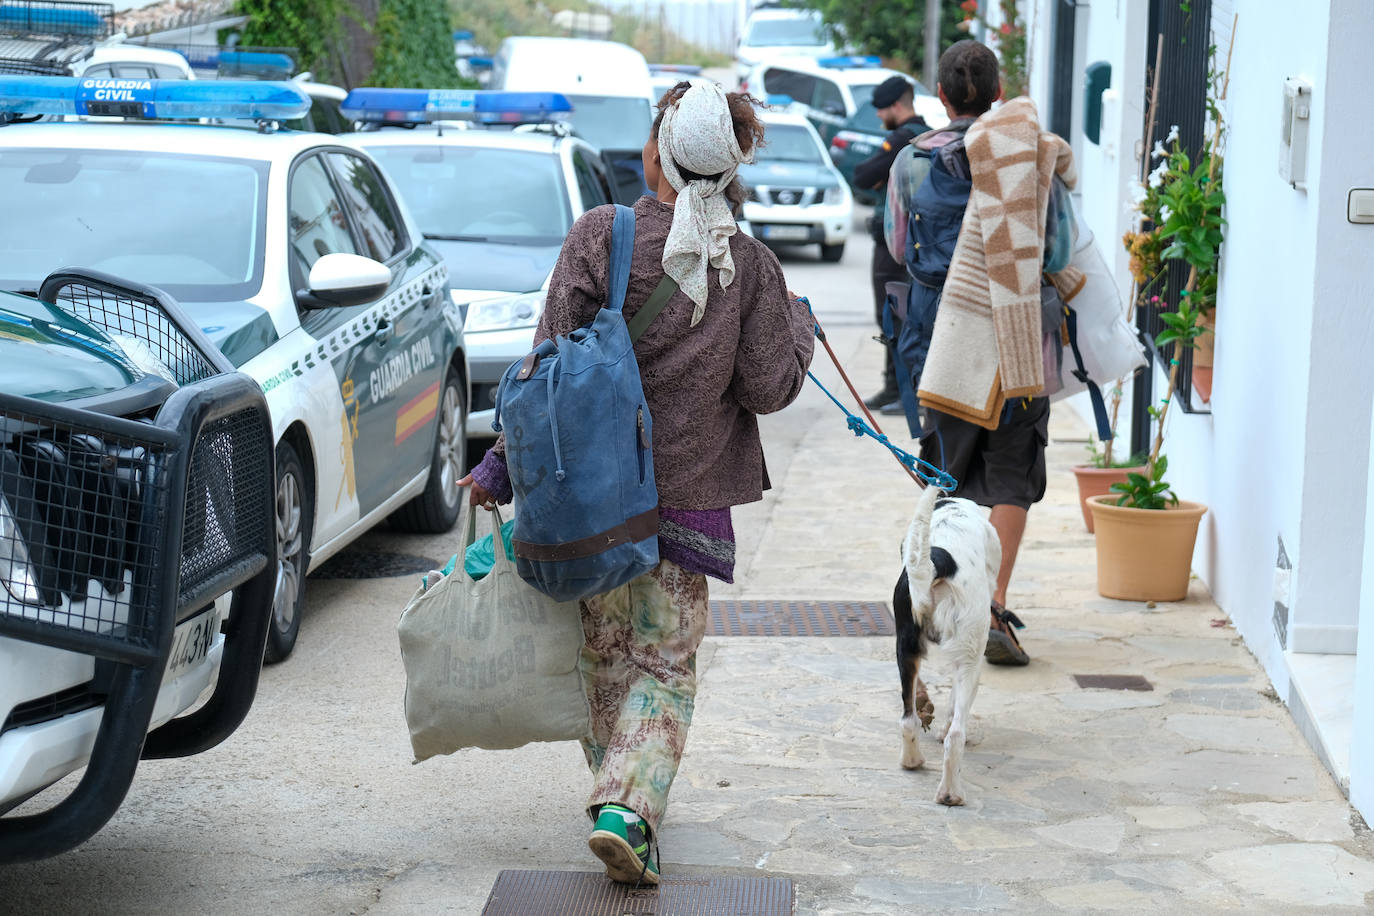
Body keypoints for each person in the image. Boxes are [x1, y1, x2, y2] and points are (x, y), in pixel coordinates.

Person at [457, 81, 815, 885]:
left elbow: (542, 370)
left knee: (607, 661)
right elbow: (769, 387)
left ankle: (625, 808)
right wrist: (799, 326)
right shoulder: (749, 265)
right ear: (733, 164)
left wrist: (497, 469)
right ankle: (627, 808)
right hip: (687, 510)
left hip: (590, 507)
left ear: (657, 152)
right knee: (664, 668)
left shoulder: (599, 236)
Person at [885, 40, 1076, 667]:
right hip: (1020, 338)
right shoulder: (1032, 156)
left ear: (940, 98)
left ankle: (938, 595)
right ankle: (992, 604)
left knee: (946, 472)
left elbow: (896, 242)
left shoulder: (912, 160)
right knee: (1012, 474)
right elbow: (1057, 253)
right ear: (998, 94)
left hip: (939, 341)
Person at [855, 74, 928, 414]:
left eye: (884, 110)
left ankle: (903, 391)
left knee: (893, 315)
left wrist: (880, 174)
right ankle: (894, 387)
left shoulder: (902, 138)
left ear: (898, 105)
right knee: (902, 314)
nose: (880, 117)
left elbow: (862, 175)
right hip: (917, 241)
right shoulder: (927, 135)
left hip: (892, 242)